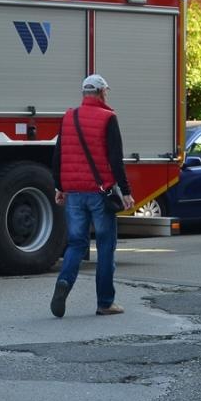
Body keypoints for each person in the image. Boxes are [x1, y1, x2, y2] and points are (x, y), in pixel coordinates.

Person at [49, 73, 134, 318]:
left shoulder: (69, 117)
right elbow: (115, 159)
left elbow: (58, 155)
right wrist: (126, 191)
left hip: (74, 192)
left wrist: (59, 186)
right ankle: (105, 302)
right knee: (106, 246)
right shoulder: (108, 118)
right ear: (100, 93)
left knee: (76, 243)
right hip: (100, 193)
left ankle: (65, 281)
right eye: (105, 91)